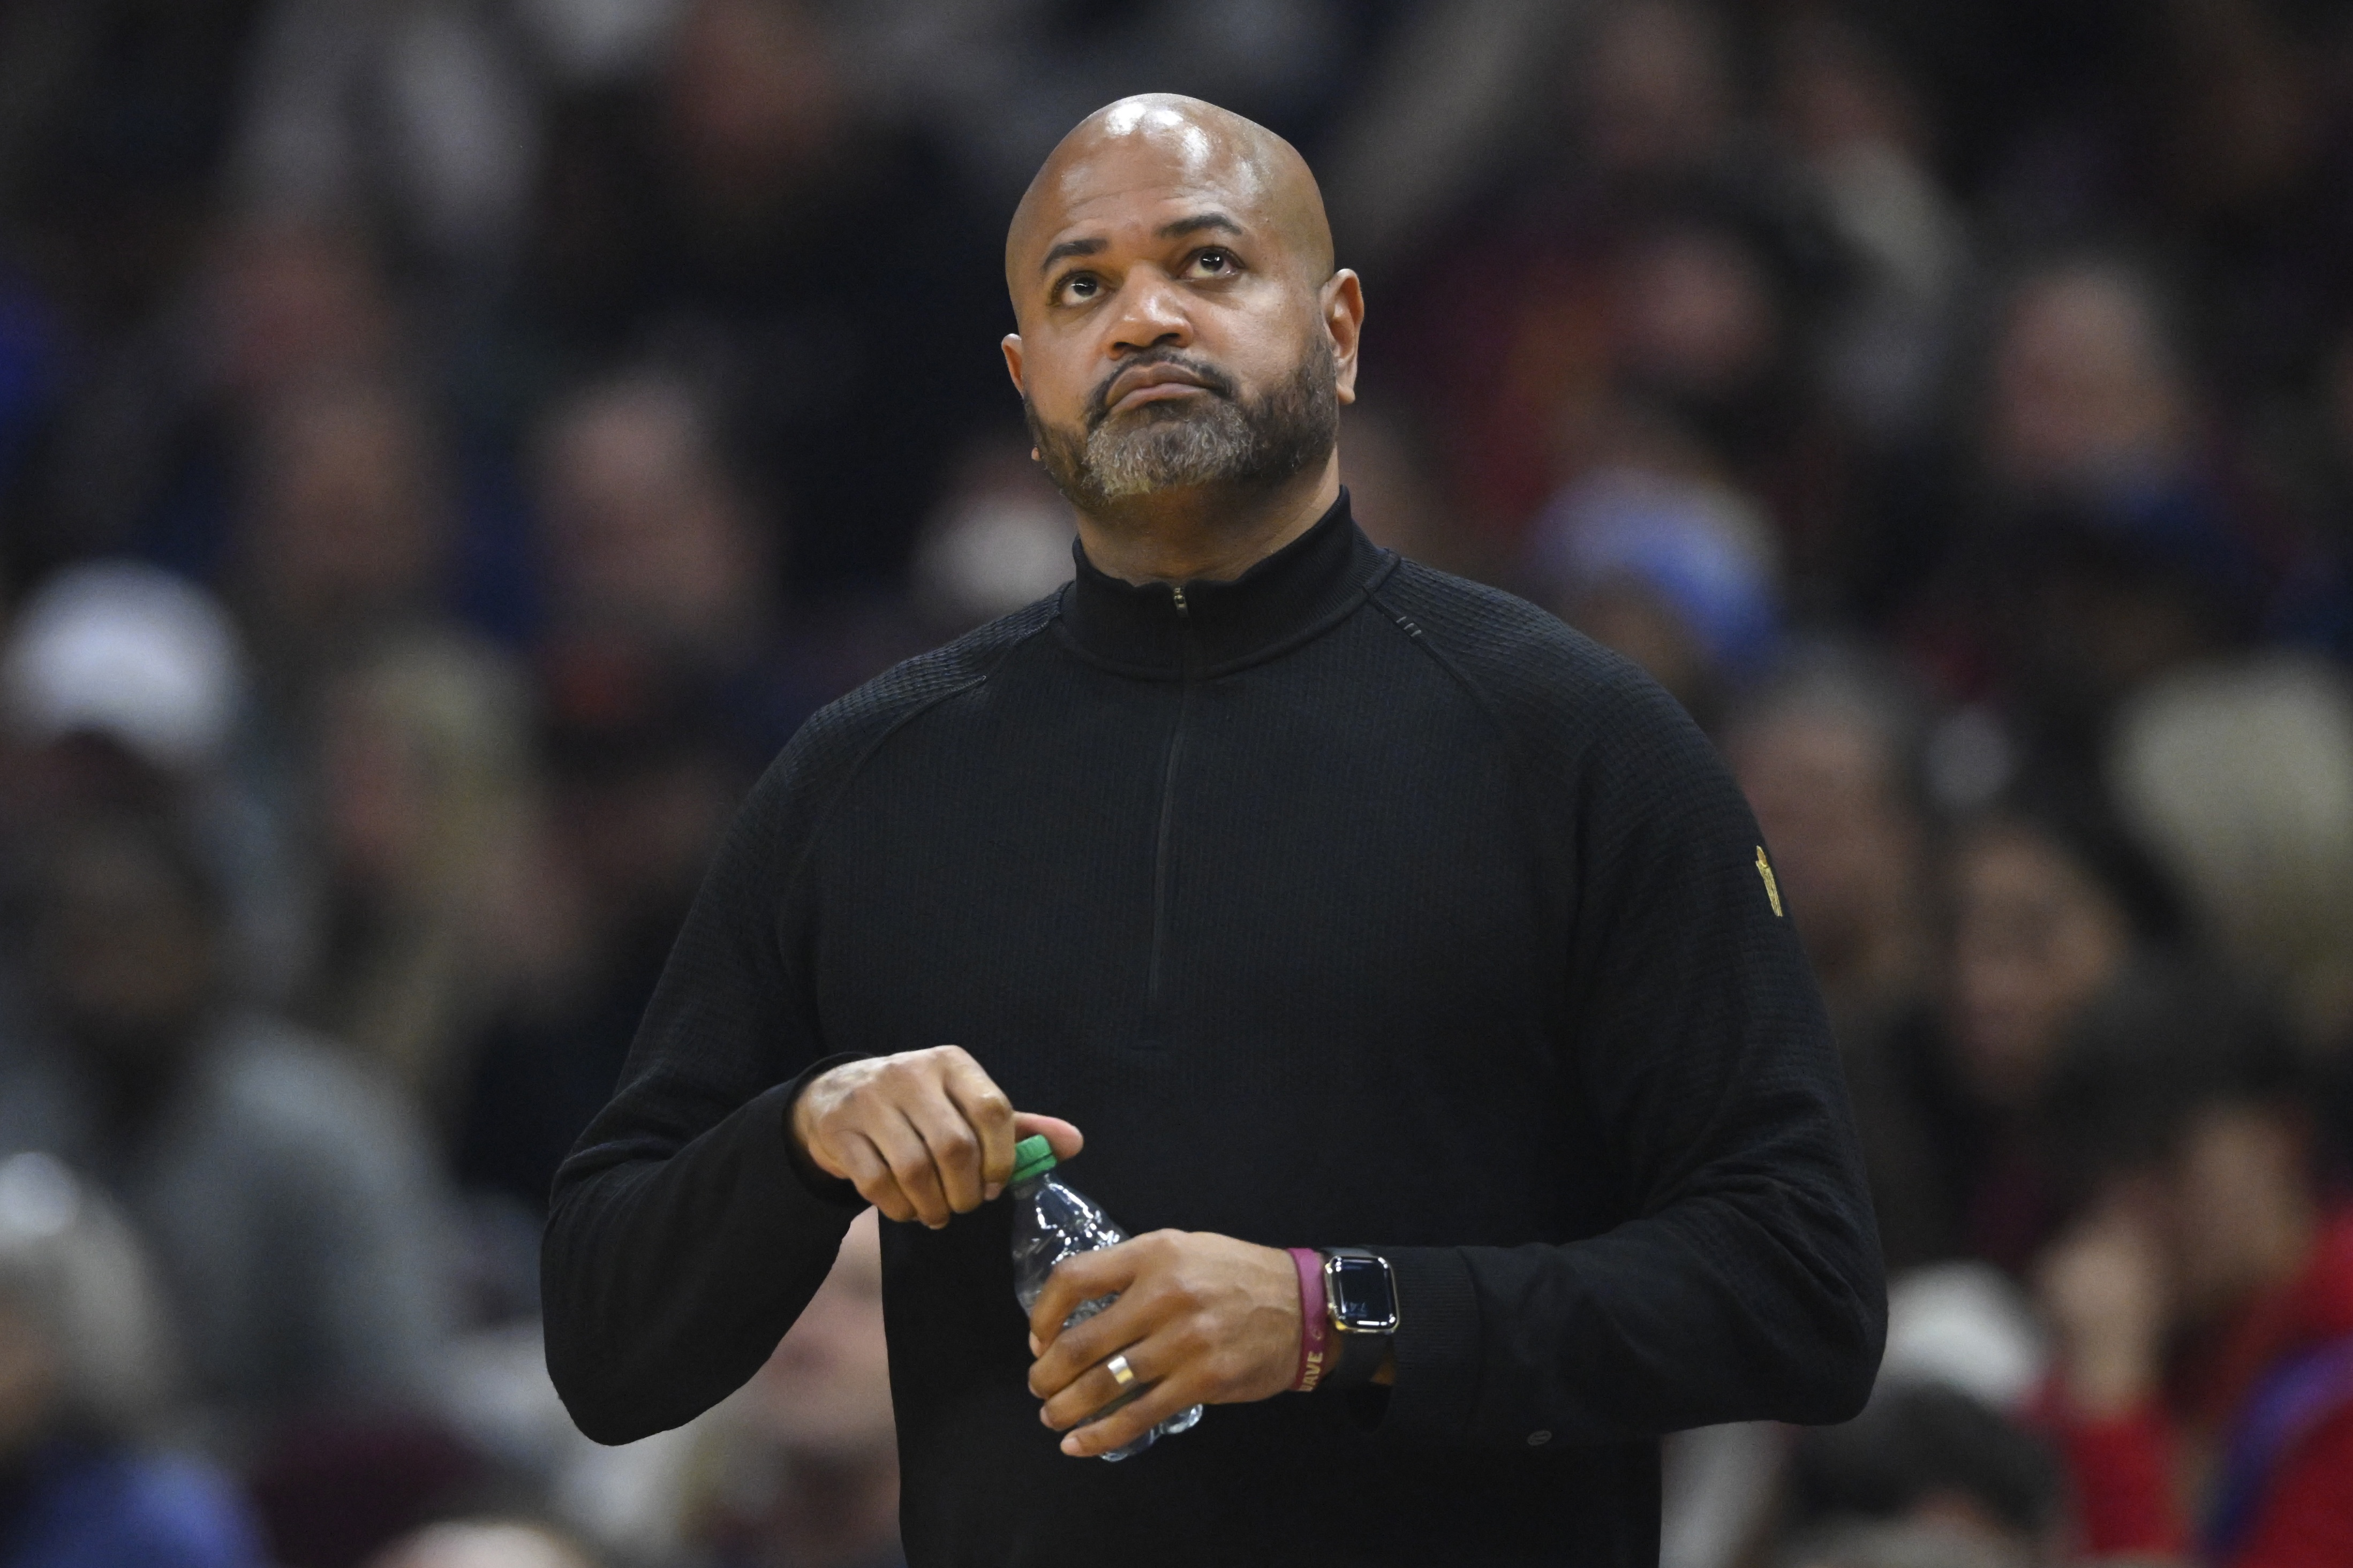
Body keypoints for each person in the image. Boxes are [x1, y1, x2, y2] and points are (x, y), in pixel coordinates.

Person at [543, 94, 1883, 1566]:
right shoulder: (860, 782)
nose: (1143, 319)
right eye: (1081, 288)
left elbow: (1798, 1288)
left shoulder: (1583, 746)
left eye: (1207, 263)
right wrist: (799, 1139)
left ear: (1340, 332)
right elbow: (605, 1345)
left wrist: (1336, 1316)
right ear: (1026, 385)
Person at [2034, 974, 2353, 1566]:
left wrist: (2110, 1407)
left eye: (2165, 1162)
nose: (2129, 1212)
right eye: (2109, 1173)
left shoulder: (2336, 1360)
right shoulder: (2171, 1333)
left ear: (2280, 1136)